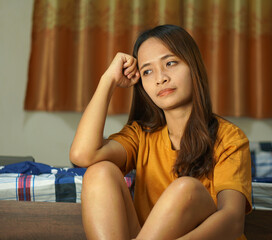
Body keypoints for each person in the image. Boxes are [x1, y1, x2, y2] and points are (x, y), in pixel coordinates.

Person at [70, 24, 252, 240]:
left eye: (170, 63)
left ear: (193, 66)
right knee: (99, 172)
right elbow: (83, 155)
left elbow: (233, 221)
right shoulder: (141, 134)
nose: (160, 78)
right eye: (147, 71)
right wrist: (108, 79)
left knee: (186, 190)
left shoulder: (230, 138)